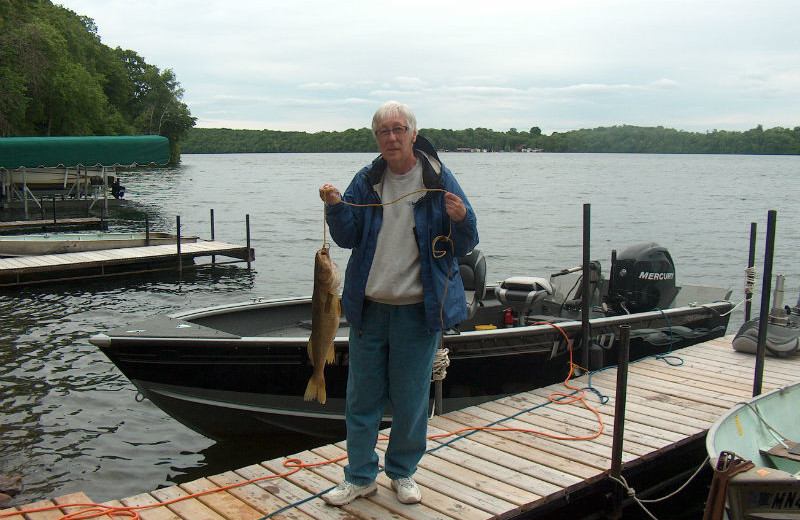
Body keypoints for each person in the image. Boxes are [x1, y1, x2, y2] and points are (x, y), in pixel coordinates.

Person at [318, 101, 479, 506]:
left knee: (409, 402)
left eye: (397, 129)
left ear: (412, 133)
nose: (391, 138)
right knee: (361, 399)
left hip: (418, 311)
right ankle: (359, 476)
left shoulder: (439, 178)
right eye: (383, 132)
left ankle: (403, 472)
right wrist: (336, 206)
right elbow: (347, 237)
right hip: (369, 309)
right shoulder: (367, 179)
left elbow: (465, 242)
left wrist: (462, 218)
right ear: (377, 139)